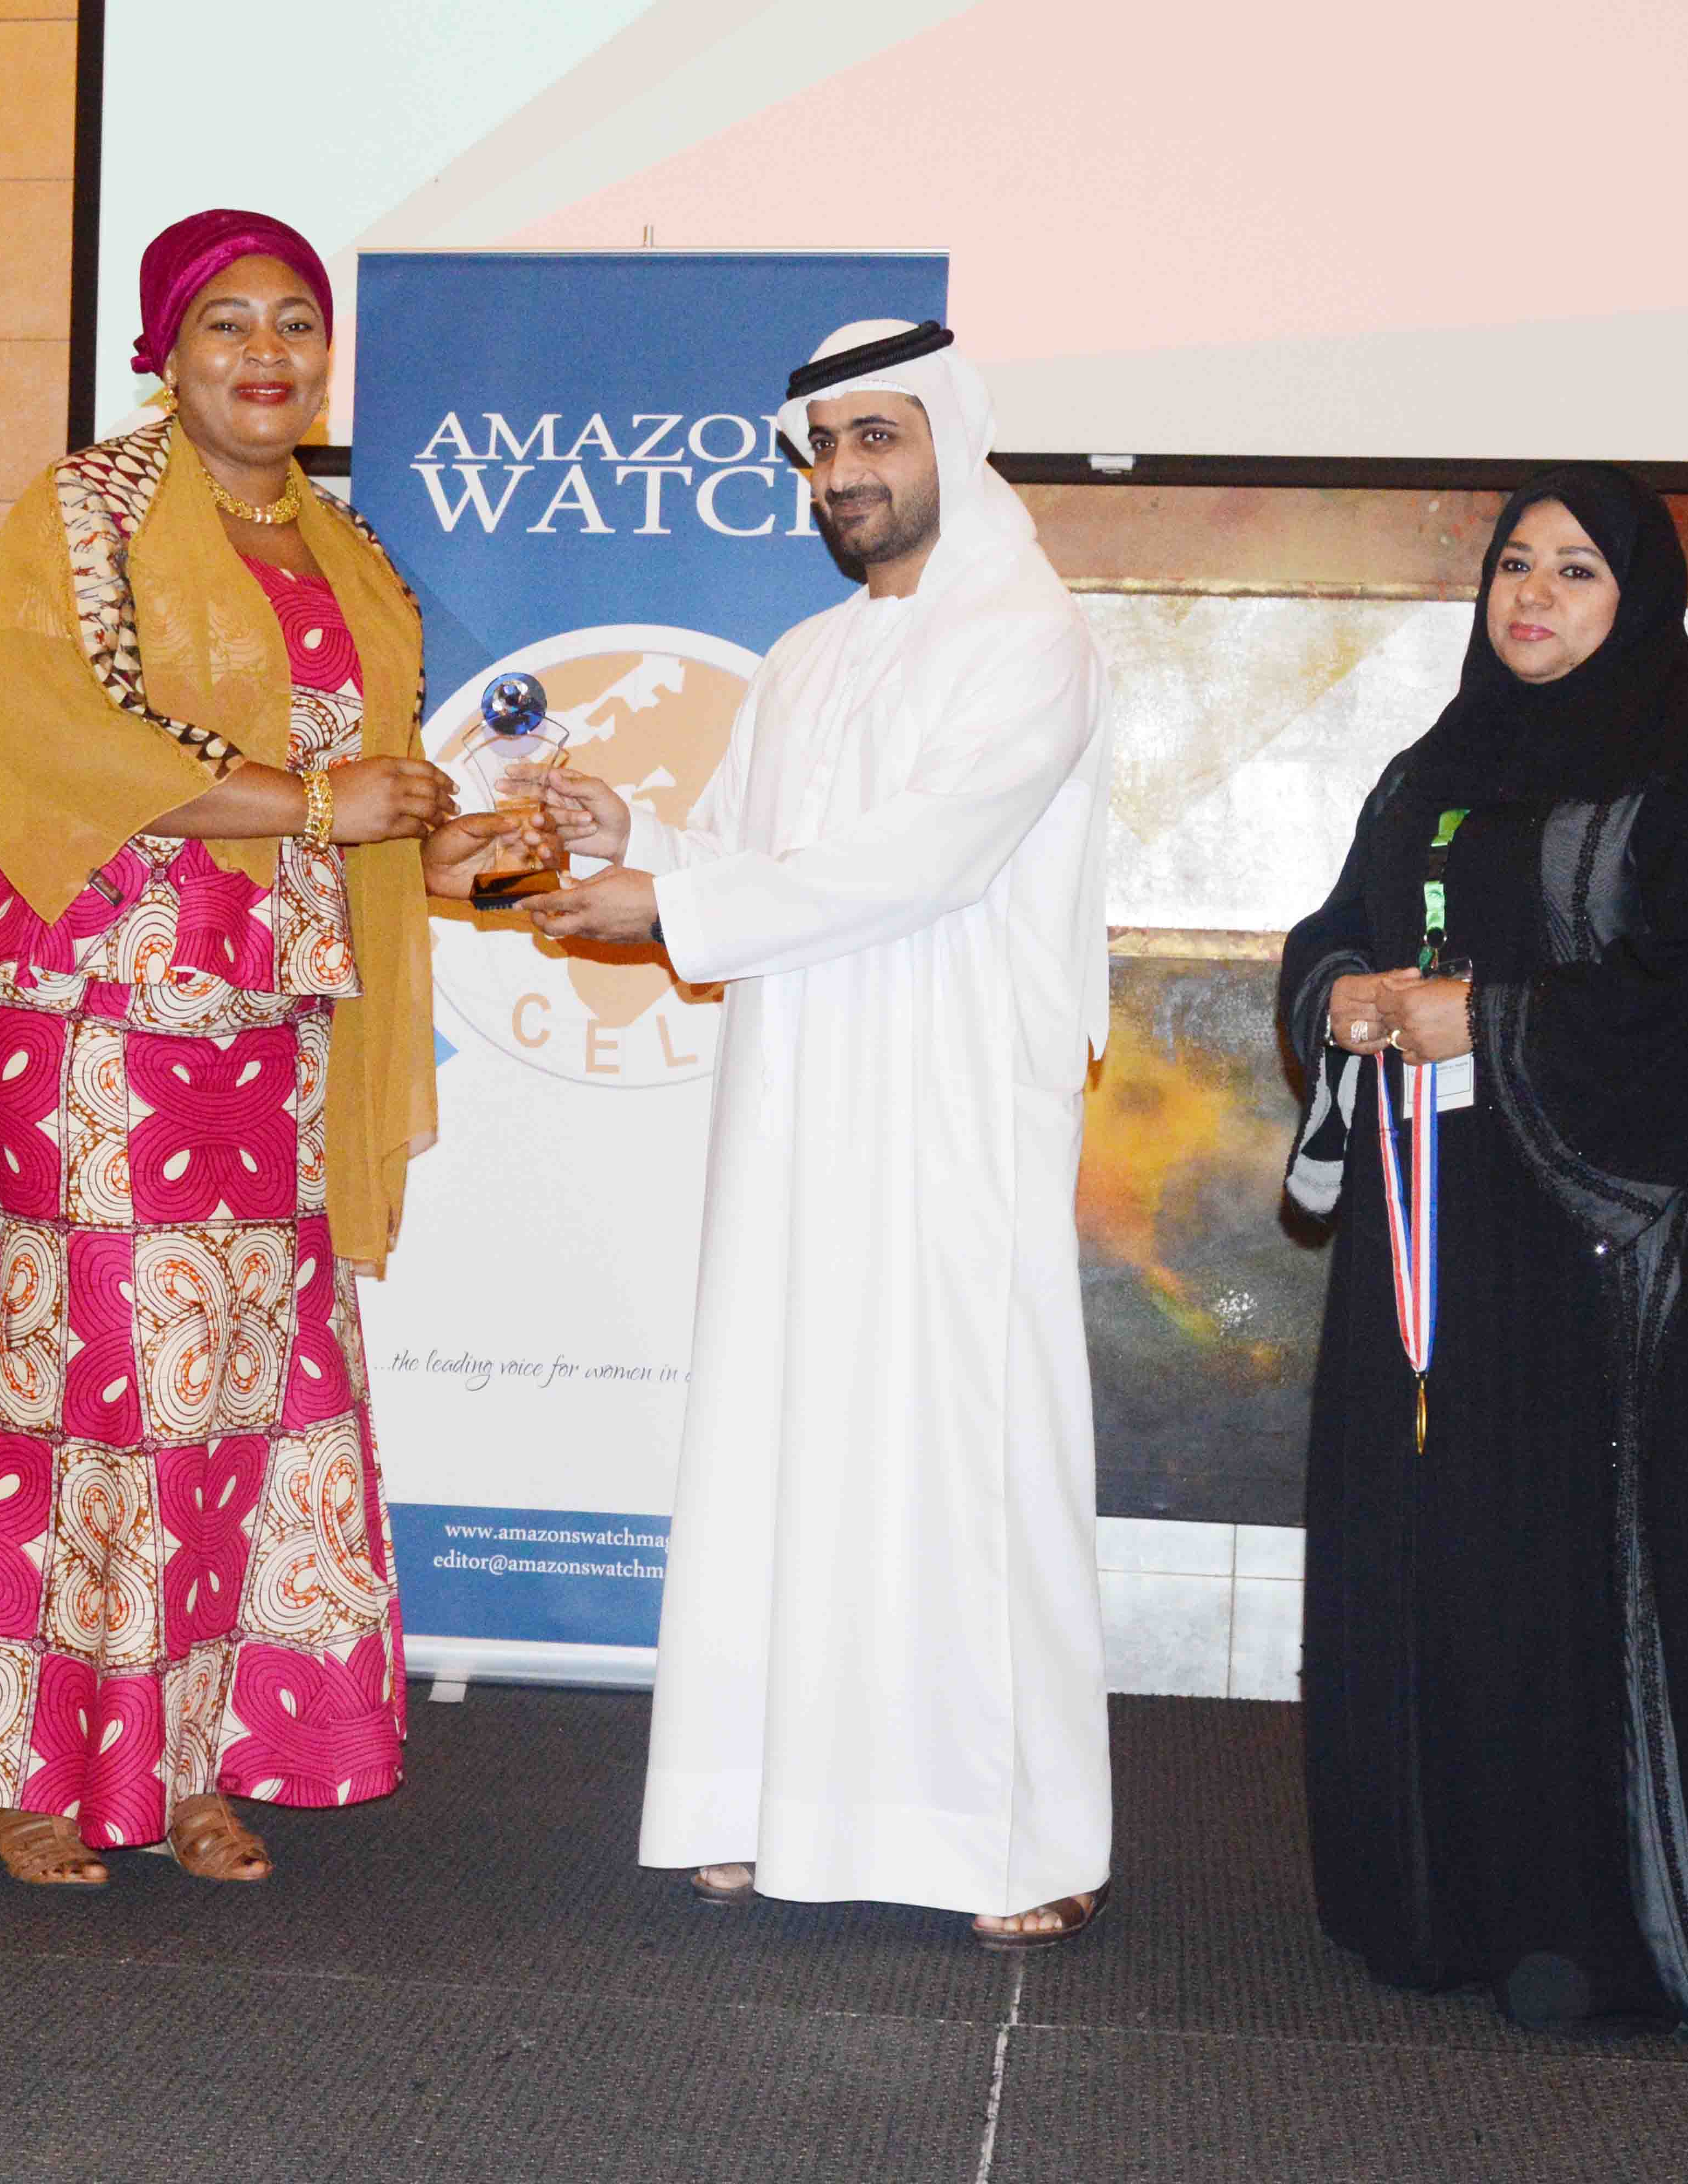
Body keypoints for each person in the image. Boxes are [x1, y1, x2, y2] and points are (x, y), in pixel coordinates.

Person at [0, 210, 528, 1890]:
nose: (266, 354)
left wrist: (483, 846)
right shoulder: (86, 513)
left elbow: (378, 801)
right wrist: (321, 804)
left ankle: (193, 1761)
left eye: (295, 325)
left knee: (254, 1380)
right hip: (103, 1008)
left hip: (277, 1016)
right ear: (163, 354)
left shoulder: (354, 557)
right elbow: (42, 742)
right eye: (226, 325)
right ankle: (36, 1766)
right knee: (105, 1372)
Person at [521, 319, 1115, 1948]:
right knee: (792, 1437)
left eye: (879, 439)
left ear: (951, 442)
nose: (848, 473)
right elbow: (767, 850)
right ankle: (761, 1801)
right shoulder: (807, 656)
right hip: (798, 1108)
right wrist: (635, 834)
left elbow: (923, 859)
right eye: (827, 447)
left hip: (949, 1112)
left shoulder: (1029, 637)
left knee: (964, 1454)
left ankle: (1016, 1835)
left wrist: (673, 897)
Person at [1276, 465, 1688, 2040]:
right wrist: (1345, 996)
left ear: (1640, 602)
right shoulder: (1435, 767)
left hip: (1584, 1239)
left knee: (1555, 1548)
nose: (1534, 599)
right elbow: (1334, 926)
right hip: (1425, 1226)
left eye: (1576, 572)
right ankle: (1422, 1899)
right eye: (1514, 565)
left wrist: (1489, 1023)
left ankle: (1578, 1921)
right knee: (1416, 1532)